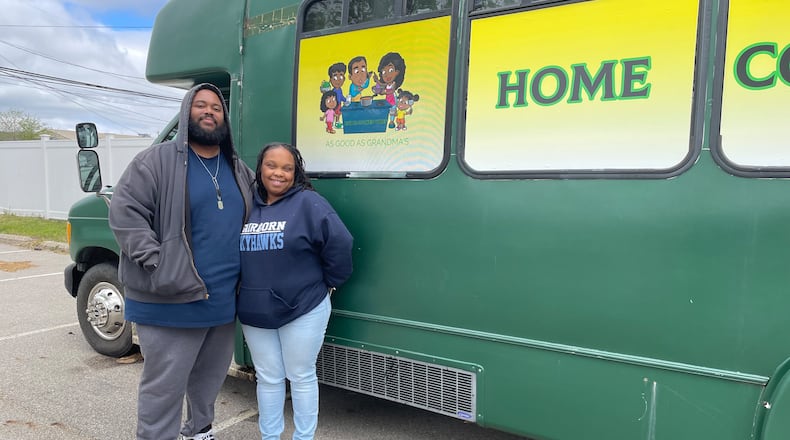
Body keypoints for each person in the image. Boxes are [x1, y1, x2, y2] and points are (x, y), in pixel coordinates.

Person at [108, 83, 255, 440]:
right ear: (186, 111)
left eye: (216, 108)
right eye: (200, 105)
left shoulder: (238, 168)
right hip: (170, 299)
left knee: (209, 380)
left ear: (225, 118)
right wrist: (158, 262)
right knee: (165, 387)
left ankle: (199, 431)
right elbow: (126, 214)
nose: (209, 112)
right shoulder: (154, 161)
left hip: (222, 302)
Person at [237, 142, 353, 440]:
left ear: (296, 172)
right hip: (254, 310)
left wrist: (331, 282)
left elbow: (341, 242)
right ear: (260, 168)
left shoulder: (308, 203)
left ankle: (303, 437)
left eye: (287, 168)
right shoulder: (246, 204)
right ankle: (270, 436)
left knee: (301, 375)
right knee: (268, 378)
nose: (279, 173)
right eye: (271, 165)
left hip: (304, 307)